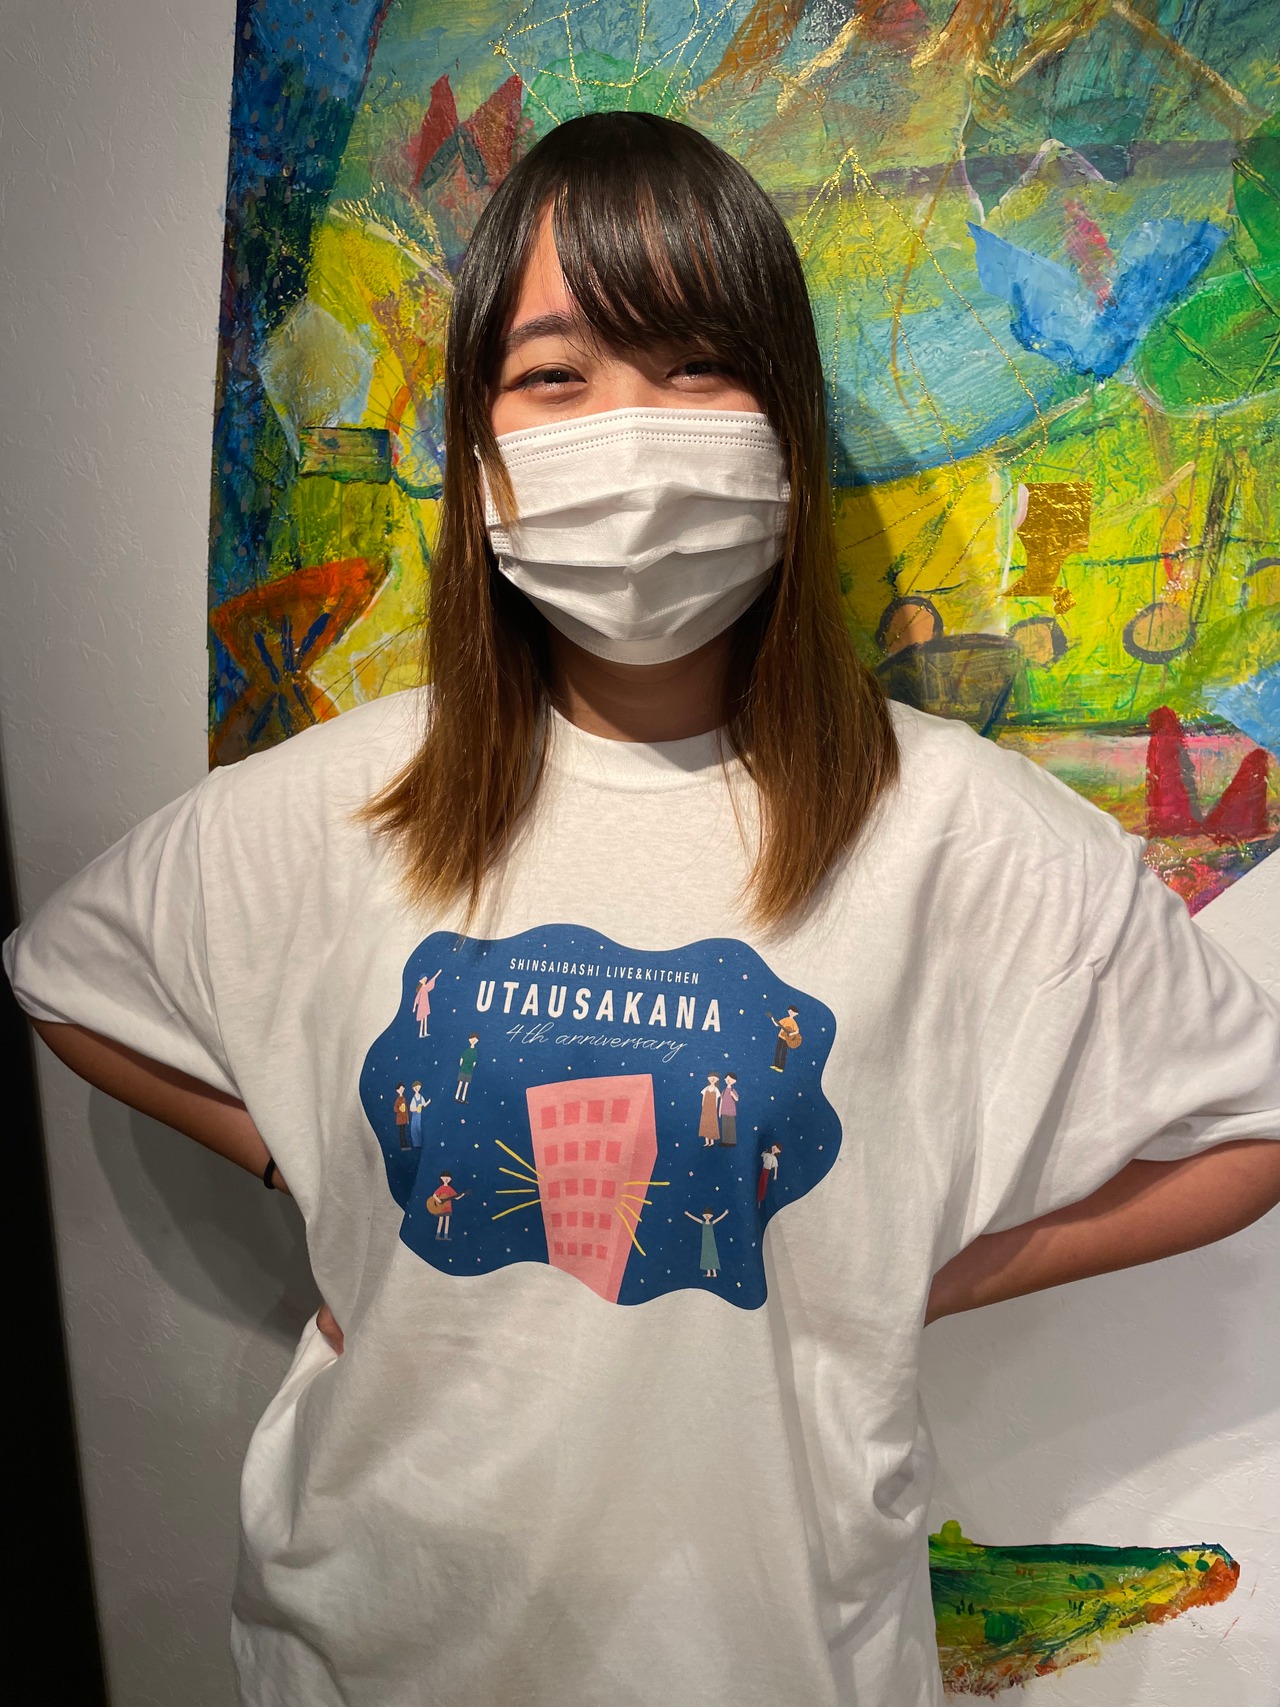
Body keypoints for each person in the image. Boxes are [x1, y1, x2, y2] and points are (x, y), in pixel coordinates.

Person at [4, 110, 1279, 1707]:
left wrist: (941, 1265)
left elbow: (1249, 1127)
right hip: (368, 1643)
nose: (628, 428)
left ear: (784, 426)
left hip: (780, 1652)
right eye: (555, 375)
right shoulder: (336, 799)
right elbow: (68, 977)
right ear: (478, 445)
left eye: (696, 365)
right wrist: (307, 1164)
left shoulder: (960, 828)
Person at [718, 1071, 738, 1146]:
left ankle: (732, 1142)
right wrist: (719, 1111)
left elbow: (736, 1099)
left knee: (731, 1127)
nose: (728, 1081)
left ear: (734, 1081)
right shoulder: (723, 1091)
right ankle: (725, 1141)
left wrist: (732, 1095)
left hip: (731, 1112)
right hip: (724, 1112)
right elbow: (721, 1101)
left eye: (730, 1079)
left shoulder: (732, 1090)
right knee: (724, 1127)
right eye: (727, 1079)